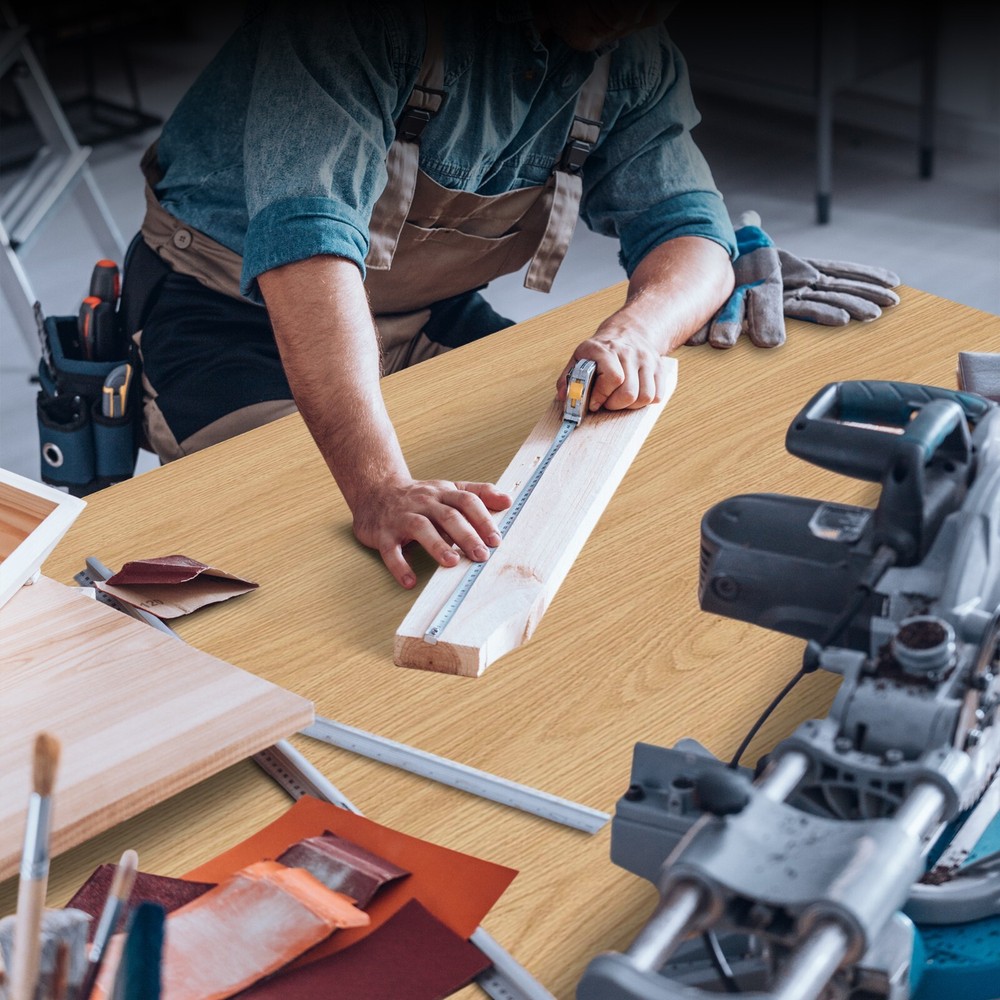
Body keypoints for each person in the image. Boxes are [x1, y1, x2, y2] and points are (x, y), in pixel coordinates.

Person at [124, 1, 738, 588]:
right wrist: (379, 486)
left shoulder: (627, 46)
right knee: (331, 552)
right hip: (227, 314)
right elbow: (306, 248)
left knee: (574, 478)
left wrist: (638, 331)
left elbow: (690, 231)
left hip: (422, 312)